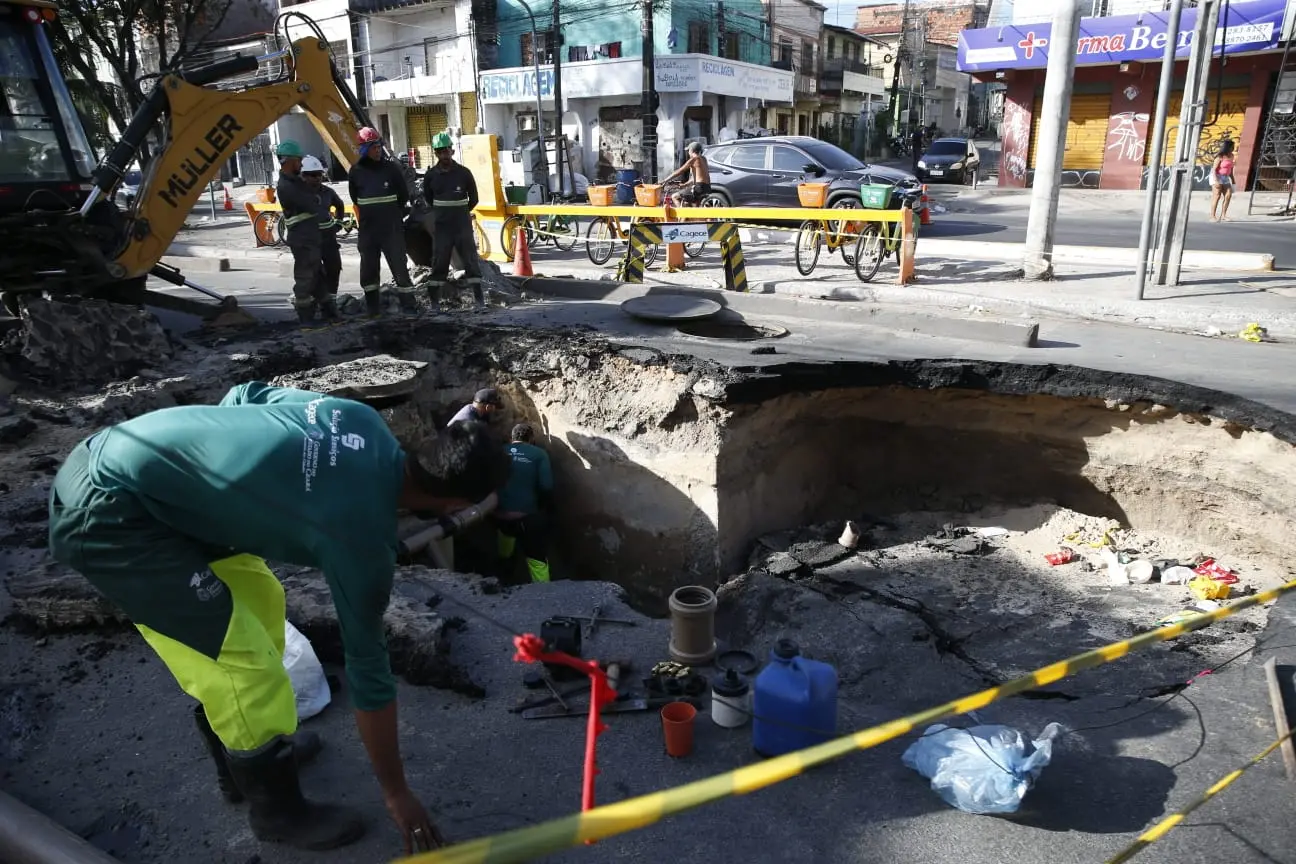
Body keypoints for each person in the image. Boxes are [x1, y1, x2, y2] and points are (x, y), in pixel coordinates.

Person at [47, 382, 509, 853]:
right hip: (108, 515)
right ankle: (277, 812)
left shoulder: (359, 420)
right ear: (455, 505)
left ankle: (249, 760)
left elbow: (241, 397)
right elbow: (368, 670)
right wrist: (397, 793)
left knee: (263, 600)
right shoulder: (359, 537)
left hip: (145, 475)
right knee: (240, 665)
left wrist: (241, 477)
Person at [349, 127, 417, 316]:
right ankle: (373, 309)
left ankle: (409, 306)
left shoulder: (391, 169)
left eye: (378, 145)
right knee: (369, 269)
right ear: (363, 149)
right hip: (369, 230)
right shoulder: (355, 172)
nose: (377, 150)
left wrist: (392, 214)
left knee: (399, 266)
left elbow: (403, 195)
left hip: (391, 228)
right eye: (373, 146)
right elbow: (356, 198)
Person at [275, 141, 333, 325]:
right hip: (301, 238)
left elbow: (314, 199)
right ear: (291, 160)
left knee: (317, 276)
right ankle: (306, 319)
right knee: (305, 278)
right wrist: (314, 199)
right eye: (299, 160)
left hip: (310, 236)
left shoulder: (296, 181)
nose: (301, 164)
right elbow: (312, 203)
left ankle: (330, 312)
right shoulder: (287, 185)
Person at [422, 131, 483, 306]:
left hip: (462, 226)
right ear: (436, 153)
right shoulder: (431, 176)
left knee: (470, 261)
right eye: (440, 151)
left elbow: (474, 199)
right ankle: (435, 302)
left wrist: (461, 211)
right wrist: (443, 213)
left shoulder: (464, 174)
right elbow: (429, 198)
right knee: (439, 262)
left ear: (452, 151)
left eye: (446, 150)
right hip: (442, 228)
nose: (444, 154)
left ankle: (479, 300)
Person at [495, 423, 554, 584]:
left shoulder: (499, 451)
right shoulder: (539, 454)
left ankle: (503, 579)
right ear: (531, 439)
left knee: (505, 546)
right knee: (537, 559)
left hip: (500, 515)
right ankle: (545, 595)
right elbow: (547, 485)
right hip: (528, 517)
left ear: (511, 438)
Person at [302, 155, 345, 320]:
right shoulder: (299, 194)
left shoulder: (328, 192)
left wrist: (339, 223)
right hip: (310, 240)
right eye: (312, 175)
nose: (317, 178)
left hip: (328, 238)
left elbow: (339, 205)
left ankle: (330, 305)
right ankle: (313, 307)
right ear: (304, 175)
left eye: (319, 174)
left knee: (334, 268)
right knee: (314, 274)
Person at [663, 141, 711, 207]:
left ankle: (682, 216)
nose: (688, 152)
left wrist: (665, 180)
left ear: (691, 150)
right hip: (707, 188)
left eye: (688, 150)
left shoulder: (693, 160)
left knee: (674, 196)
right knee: (687, 201)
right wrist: (684, 185)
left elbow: (680, 171)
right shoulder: (704, 159)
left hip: (699, 188)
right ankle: (692, 216)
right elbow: (695, 179)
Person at [1210, 139, 1236, 222]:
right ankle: (1212, 216)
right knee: (1217, 196)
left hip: (1226, 177)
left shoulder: (1232, 156)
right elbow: (1214, 169)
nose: (1233, 148)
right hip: (1217, 176)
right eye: (1232, 146)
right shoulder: (1220, 156)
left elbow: (1231, 169)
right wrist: (1216, 180)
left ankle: (1224, 215)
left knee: (1228, 195)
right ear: (1228, 147)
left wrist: (1233, 180)